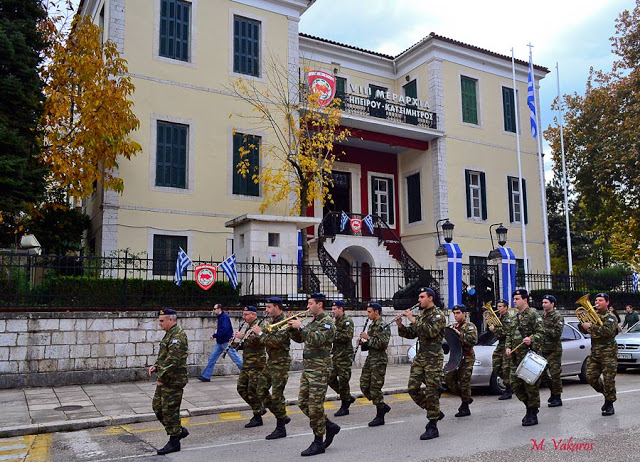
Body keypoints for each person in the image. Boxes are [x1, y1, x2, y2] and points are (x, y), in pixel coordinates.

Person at [290, 293, 340, 457]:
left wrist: (301, 327)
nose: (307, 306)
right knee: (303, 402)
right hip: (309, 367)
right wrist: (293, 329)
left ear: (319, 304)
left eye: (310, 303)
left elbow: (317, 339)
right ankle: (328, 426)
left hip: (320, 368)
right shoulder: (312, 321)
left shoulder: (327, 322)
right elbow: (302, 339)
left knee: (315, 404)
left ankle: (318, 441)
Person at [396, 287, 446, 441]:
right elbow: (412, 333)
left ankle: (432, 425)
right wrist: (400, 325)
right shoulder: (422, 315)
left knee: (431, 391)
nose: (419, 300)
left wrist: (412, 319)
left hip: (433, 356)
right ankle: (435, 411)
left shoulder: (438, 315)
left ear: (430, 298)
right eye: (419, 297)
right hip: (421, 355)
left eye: (422, 297)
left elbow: (430, 332)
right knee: (412, 388)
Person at [148, 309, 189, 455]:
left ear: (170, 320)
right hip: (167, 378)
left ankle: (174, 441)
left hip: (173, 380)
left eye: (161, 321)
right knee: (157, 407)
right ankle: (178, 431)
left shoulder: (178, 335)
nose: (159, 323)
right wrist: (156, 366)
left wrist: (161, 378)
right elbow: (165, 356)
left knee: (170, 410)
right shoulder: (169, 334)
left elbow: (173, 361)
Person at [253, 297, 292, 439]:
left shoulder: (285, 322)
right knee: (260, 390)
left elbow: (276, 341)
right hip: (271, 362)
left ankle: (281, 428)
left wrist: (260, 334)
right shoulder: (272, 322)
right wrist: (254, 336)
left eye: (269, 307)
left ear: (277, 307)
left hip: (281, 363)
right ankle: (281, 415)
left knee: (277, 395)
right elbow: (265, 338)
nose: (266, 310)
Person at [505, 289, 543, 426]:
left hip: (529, 357)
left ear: (525, 300)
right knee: (515, 385)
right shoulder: (514, 316)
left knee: (530, 386)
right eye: (514, 299)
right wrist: (508, 347)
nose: (514, 301)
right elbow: (509, 334)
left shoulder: (533, 315)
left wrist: (531, 339)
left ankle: (532, 412)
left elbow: (541, 333)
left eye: (517, 299)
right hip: (515, 357)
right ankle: (530, 406)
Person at [578, 292, 618, 416]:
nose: (597, 302)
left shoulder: (610, 316)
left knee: (608, 380)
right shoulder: (592, 314)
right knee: (590, 377)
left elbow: (608, 331)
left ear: (607, 302)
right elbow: (583, 329)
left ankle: (609, 403)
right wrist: (582, 323)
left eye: (600, 300)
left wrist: (589, 327)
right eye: (596, 300)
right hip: (595, 353)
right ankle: (607, 394)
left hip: (608, 354)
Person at [234, 306, 267, 428]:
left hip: (256, 364)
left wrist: (242, 336)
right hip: (247, 363)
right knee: (241, 388)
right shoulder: (248, 325)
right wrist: (236, 344)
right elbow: (248, 343)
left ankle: (257, 416)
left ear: (253, 314)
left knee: (252, 390)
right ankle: (258, 408)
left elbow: (260, 341)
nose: (244, 317)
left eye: (246, 314)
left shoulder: (259, 325)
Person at [359, 302, 391, 426]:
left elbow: (382, 344)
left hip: (379, 360)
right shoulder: (372, 325)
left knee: (375, 388)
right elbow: (373, 344)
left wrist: (367, 338)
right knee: (364, 385)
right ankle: (381, 405)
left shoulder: (383, 325)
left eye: (369, 312)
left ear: (376, 312)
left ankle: (380, 415)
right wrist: (363, 344)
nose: (368, 314)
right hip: (371, 358)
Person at [444, 304, 478, 417]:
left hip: (467, 358)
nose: (456, 315)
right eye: (454, 313)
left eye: (458, 313)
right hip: (455, 358)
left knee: (464, 382)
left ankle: (465, 406)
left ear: (464, 313)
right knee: (449, 379)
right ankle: (466, 398)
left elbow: (473, 341)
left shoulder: (470, 326)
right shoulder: (453, 326)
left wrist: (459, 334)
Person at [532, 295, 564, 407]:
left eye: (546, 302)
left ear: (552, 304)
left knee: (555, 374)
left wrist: (542, 329)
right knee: (542, 374)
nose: (543, 304)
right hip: (542, 349)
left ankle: (557, 397)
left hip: (554, 350)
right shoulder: (542, 316)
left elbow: (557, 333)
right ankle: (553, 391)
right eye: (543, 302)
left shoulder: (557, 316)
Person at [198, 304, 242, 382]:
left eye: (215, 309)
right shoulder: (221, 317)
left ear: (219, 309)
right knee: (212, 358)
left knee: (235, 358)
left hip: (225, 342)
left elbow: (224, 330)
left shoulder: (224, 317)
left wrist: (215, 335)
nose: (214, 310)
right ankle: (206, 376)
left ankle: (246, 372)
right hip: (220, 342)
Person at [328, 300, 356, 417]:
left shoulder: (347, 321)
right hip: (336, 355)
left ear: (341, 309)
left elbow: (347, 336)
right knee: (330, 378)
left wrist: (333, 333)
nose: (333, 311)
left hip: (345, 355)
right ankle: (347, 397)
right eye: (332, 309)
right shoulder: (334, 321)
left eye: (335, 309)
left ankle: (345, 406)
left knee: (344, 381)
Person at [489, 299, 513, 400]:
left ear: (506, 307)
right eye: (497, 306)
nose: (498, 308)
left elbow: (505, 332)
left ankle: (508, 390)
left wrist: (495, 329)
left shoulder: (508, 318)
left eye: (500, 306)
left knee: (506, 367)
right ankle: (511, 384)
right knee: (496, 366)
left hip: (506, 344)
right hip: (500, 345)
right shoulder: (500, 317)